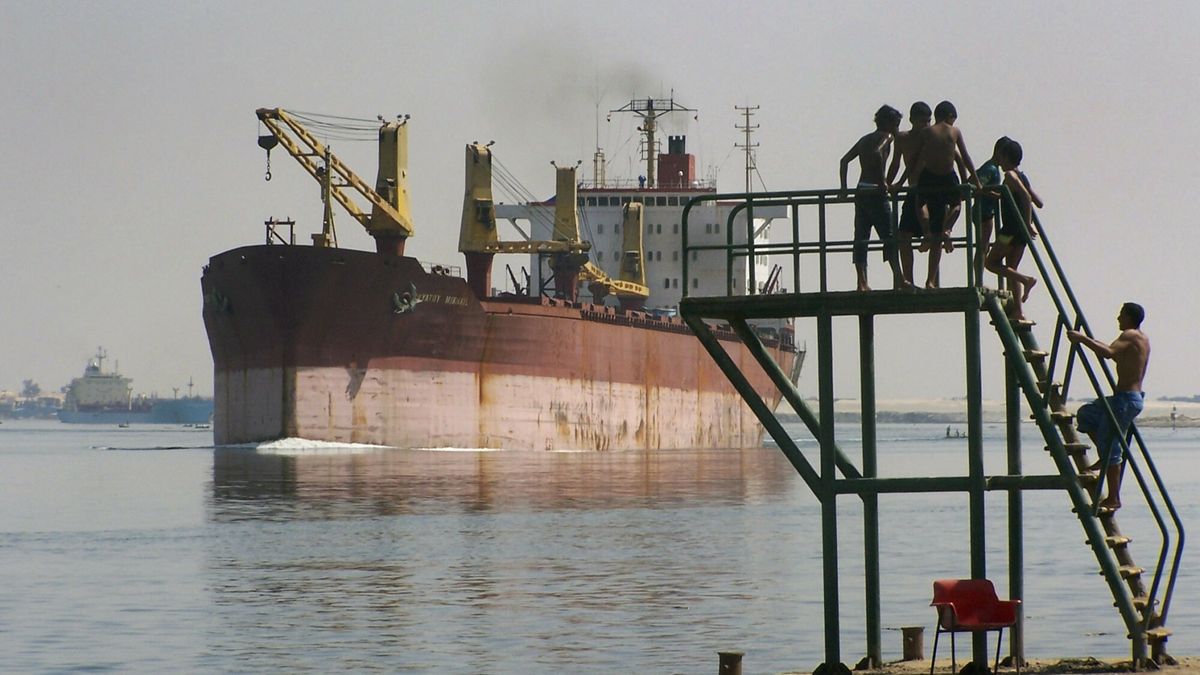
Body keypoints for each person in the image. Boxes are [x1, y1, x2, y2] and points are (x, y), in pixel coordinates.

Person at [1067, 302, 1151, 511]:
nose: (1118, 318)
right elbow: (1111, 350)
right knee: (1086, 414)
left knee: (1112, 449)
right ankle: (1103, 454)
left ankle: (1114, 498)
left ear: (1130, 317)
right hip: (1124, 398)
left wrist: (1082, 339)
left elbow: (1108, 352)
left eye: (1122, 314)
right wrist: (1087, 339)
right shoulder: (1139, 338)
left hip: (1126, 400)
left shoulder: (1130, 335)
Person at [897, 100, 982, 288]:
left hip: (930, 177)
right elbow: (964, 158)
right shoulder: (953, 131)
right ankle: (927, 276)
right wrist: (974, 182)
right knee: (955, 206)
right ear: (950, 117)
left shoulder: (928, 133)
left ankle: (930, 232)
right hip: (943, 178)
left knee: (921, 204)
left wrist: (899, 183)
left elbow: (914, 161)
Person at [839, 105, 908, 291]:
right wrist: (882, 181)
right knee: (890, 236)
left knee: (861, 238)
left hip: (861, 190)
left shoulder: (864, 139)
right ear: (887, 123)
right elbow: (878, 153)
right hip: (875, 192)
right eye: (896, 124)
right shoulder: (887, 137)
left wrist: (844, 189)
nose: (897, 129)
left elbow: (844, 161)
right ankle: (899, 278)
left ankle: (861, 282)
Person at [984, 139, 1039, 320]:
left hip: (1010, 230)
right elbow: (1037, 201)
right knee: (1011, 268)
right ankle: (1018, 311)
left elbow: (1026, 197)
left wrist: (1027, 223)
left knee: (990, 263)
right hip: (1020, 233)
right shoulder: (1022, 176)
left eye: (1001, 157)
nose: (999, 161)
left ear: (1006, 157)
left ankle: (1026, 280)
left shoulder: (1010, 176)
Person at [887, 102, 932, 287]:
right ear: (912, 120)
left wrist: (900, 183)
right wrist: (888, 183)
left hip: (929, 189)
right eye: (923, 121)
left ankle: (931, 280)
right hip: (913, 189)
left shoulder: (929, 137)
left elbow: (918, 164)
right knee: (903, 235)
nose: (926, 125)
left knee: (934, 234)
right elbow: (896, 163)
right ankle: (908, 280)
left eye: (929, 121)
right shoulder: (902, 138)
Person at [972, 136, 1012, 283]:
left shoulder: (991, 168)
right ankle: (978, 280)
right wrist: (998, 195)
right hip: (983, 211)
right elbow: (978, 187)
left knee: (984, 246)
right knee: (982, 247)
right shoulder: (991, 168)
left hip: (985, 211)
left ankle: (979, 279)